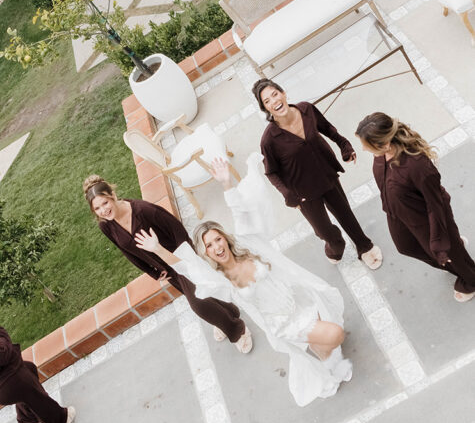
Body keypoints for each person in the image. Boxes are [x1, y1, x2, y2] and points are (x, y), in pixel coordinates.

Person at [136, 158, 352, 406]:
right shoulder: (220, 279)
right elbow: (187, 267)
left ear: (224, 239)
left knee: (327, 329)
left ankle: (326, 359)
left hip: (298, 302)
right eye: (209, 245)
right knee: (335, 334)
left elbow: (240, 213)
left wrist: (227, 182)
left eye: (217, 239)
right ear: (205, 253)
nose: (216, 246)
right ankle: (325, 355)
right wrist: (158, 250)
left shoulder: (247, 246)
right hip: (283, 323)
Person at [83, 174, 252, 352]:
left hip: (180, 259)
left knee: (199, 304)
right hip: (166, 269)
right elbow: (126, 251)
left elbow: (176, 228)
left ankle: (238, 330)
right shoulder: (106, 225)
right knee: (203, 293)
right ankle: (227, 313)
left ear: (113, 196)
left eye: (105, 203)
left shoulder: (143, 210)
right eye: (97, 208)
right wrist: (153, 272)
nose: (103, 210)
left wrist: (187, 260)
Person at [253, 78, 382, 270]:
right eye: (267, 101)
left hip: (326, 174)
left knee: (345, 214)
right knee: (327, 234)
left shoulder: (306, 109)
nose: (274, 101)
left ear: (283, 93)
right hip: (303, 193)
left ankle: (364, 246)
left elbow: (327, 128)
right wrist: (288, 195)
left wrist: (344, 145)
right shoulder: (269, 140)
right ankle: (334, 247)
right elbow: (271, 173)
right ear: (265, 109)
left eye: (275, 94)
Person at [356, 112, 475, 302]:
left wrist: (439, 243)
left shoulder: (418, 166)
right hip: (399, 214)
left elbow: (435, 206)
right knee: (406, 247)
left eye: (367, 146)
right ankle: (452, 253)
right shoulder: (381, 155)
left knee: (446, 252)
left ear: (385, 144)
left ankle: (470, 278)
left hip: (427, 218)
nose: (363, 149)